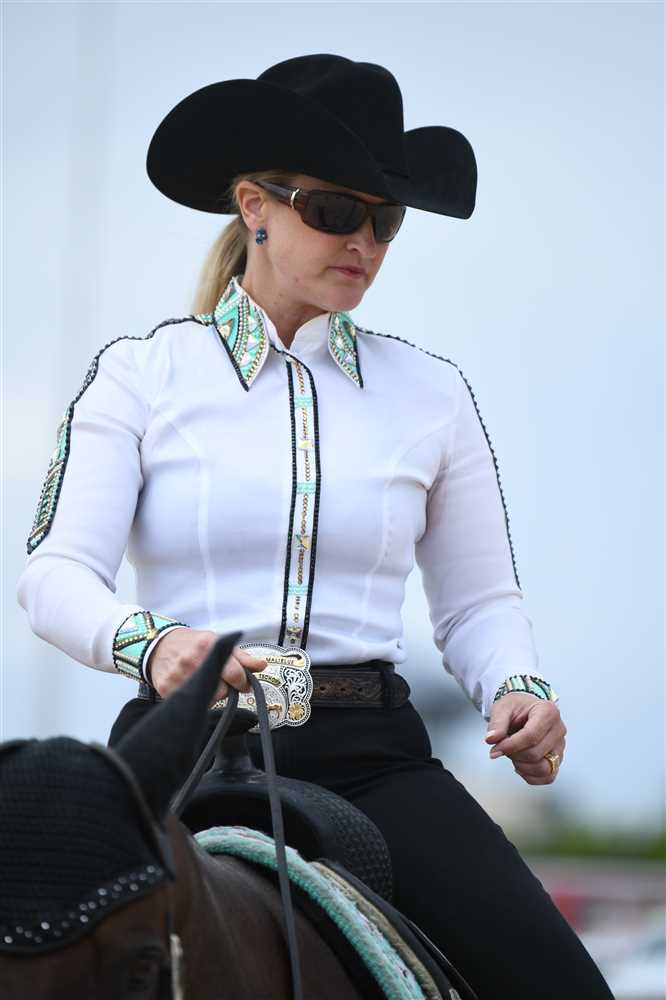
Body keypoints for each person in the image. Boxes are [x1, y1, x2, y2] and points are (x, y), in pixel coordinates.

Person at [17, 54, 613, 999]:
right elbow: (54, 576)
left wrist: (517, 686)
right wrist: (154, 643)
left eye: (386, 221)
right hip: (181, 747)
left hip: (375, 758)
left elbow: (479, 603)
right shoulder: (140, 376)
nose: (364, 243)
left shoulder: (434, 393)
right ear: (254, 205)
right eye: (337, 212)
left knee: (562, 986)